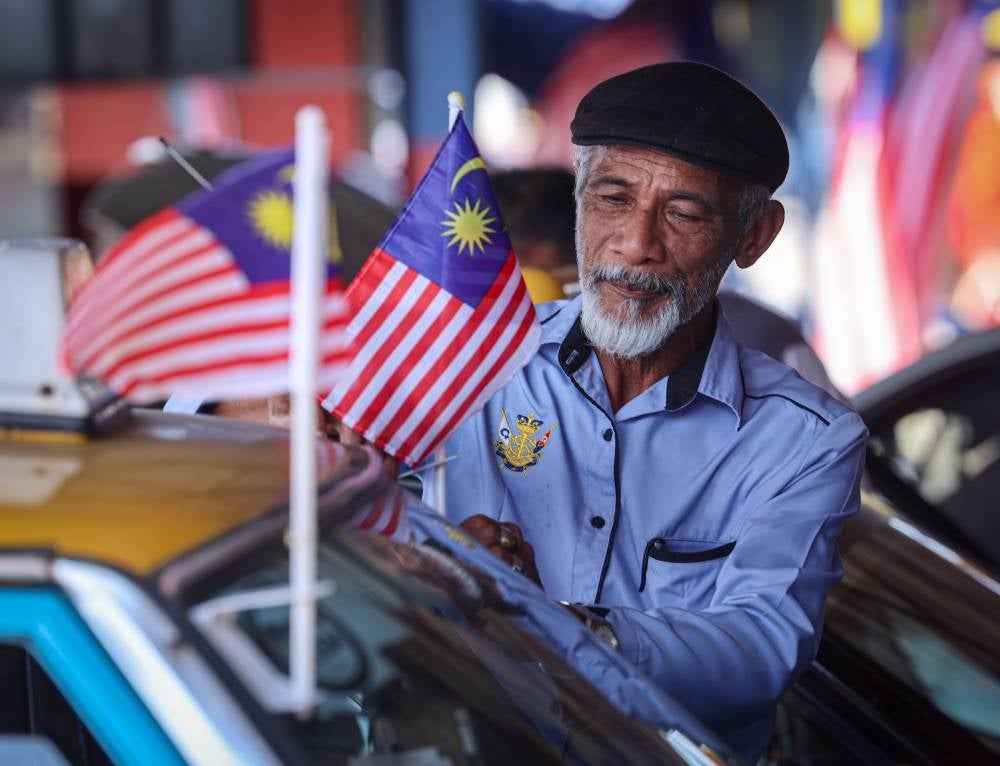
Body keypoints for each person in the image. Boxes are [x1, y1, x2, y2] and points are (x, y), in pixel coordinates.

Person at [423, 62, 867, 762]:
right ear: (578, 200)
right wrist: (437, 562)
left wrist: (571, 632)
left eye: (685, 213)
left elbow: (762, 645)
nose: (637, 243)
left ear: (753, 237)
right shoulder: (475, 362)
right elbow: (352, 518)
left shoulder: (804, 442)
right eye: (613, 198)